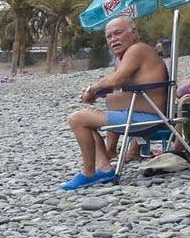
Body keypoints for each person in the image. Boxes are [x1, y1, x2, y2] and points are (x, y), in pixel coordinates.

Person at [63, 19, 168, 190]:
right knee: (87, 121)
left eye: (118, 33)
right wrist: (98, 92)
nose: (113, 39)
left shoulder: (137, 49)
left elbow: (116, 80)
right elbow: (118, 86)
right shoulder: (124, 57)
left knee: (77, 119)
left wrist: (92, 89)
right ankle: (104, 168)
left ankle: (89, 174)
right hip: (137, 116)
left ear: (133, 32)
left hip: (147, 117)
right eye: (109, 36)